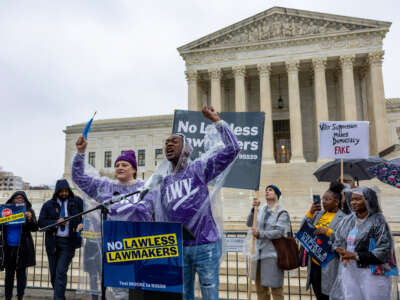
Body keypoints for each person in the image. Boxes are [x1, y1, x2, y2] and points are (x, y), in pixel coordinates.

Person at [154, 104, 240, 300]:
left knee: (209, 293)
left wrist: (217, 121)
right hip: (179, 247)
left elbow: (233, 149)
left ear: (187, 148)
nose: (168, 145)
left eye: (174, 141)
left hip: (205, 245)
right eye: (166, 142)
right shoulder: (165, 181)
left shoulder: (199, 168)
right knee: (184, 294)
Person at [333, 186, 397, 300]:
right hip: (349, 271)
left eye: (358, 199)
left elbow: (384, 251)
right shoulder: (348, 220)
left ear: (368, 200)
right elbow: (338, 240)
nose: (353, 202)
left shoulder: (378, 221)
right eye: (352, 199)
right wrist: (339, 250)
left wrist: (356, 256)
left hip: (372, 273)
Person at [71, 141, 152, 221]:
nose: (120, 167)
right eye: (117, 165)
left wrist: (110, 204)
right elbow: (79, 178)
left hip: (138, 232)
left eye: (124, 165)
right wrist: (80, 153)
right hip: (111, 232)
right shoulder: (105, 186)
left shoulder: (145, 188)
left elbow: (145, 210)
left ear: (134, 170)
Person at [38, 179, 84, 300]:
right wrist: (56, 223)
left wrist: (83, 224)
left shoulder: (77, 202)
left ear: (69, 190)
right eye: (61, 191)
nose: (64, 193)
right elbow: (41, 223)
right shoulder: (48, 205)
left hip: (69, 243)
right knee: (54, 274)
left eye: (66, 191)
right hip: (52, 243)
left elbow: (89, 215)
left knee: (60, 272)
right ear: (56, 192)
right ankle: (60, 296)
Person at [302, 182, 346, 300]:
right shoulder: (319, 214)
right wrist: (310, 212)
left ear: (337, 202)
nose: (323, 201)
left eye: (327, 199)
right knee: (319, 296)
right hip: (315, 265)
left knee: (329, 296)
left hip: (329, 265)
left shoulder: (344, 218)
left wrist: (328, 232)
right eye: (323, 199)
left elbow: (344, 239)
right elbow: (303, 227)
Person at [246, 185, 289, 300]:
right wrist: (253, 209)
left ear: (277, 194)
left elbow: (278, 232)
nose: (267, 192)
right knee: (260, 288)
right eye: (266, 190)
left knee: (276, 288)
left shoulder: (282, 212)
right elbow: (249, 223)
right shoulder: (260, 209)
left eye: (270, 190)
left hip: (273, 255)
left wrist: (260, 234)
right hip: (258, 254)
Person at [0, 191, 38, 300]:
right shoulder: (4, 210)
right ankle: (8, 297)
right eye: (17, 198)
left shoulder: (29, 211)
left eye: (22, 198)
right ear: (12, 199)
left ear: (25, 200)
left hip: (22, 248)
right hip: (7, 247)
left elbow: (35, 228)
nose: (19, 199)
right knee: (9, 275)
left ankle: (20, 296)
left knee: (21, 275)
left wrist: (30, 219)